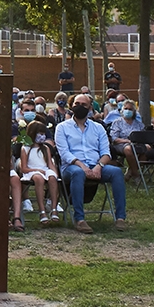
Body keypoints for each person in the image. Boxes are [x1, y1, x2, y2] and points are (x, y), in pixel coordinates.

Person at [54, 92, 125, 231]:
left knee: (116, 172)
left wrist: (99, 167)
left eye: (83, 105)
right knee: (78, 173)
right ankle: (79, 219)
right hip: (72, 167)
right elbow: (64, 154)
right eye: (77, 104)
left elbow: (106, 152)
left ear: (90, 107)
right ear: (71, 106)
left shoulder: (98, 128)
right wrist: (83, 167)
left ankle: (120, 217)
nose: (80, 107)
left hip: (96, 165)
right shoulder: (62, 127)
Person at [15, 132, 59, 229]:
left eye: (44, 133)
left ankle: (54, 208)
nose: (42, 136)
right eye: (40, 133)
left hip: (45, 170)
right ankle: (42, 211)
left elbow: (50, 165)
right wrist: (36, 170)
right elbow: (24, 168)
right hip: (31, 171)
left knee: (52, 177)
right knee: (38, 178)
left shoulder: (45, 148)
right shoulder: (25, 149)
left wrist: (55, 174)